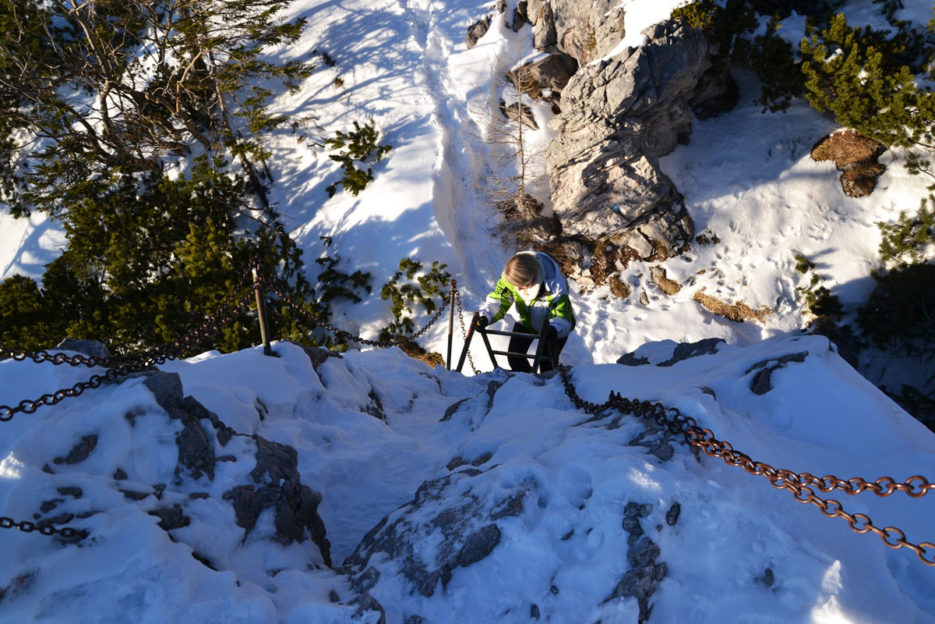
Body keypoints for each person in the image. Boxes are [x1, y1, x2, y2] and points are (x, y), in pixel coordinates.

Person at [477, 250, 575, 373]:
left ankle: (548, 389)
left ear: (533, 280)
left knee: (546, 365)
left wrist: (554, 329)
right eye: (515, 285)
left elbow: (562, 316)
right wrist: (485, 316)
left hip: (552, 327)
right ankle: (528, 385)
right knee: (514, 358)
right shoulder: (513, 277)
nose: (517, 289)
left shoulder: (554, 285)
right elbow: (500, 300)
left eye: (521, 287)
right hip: (525, 320)